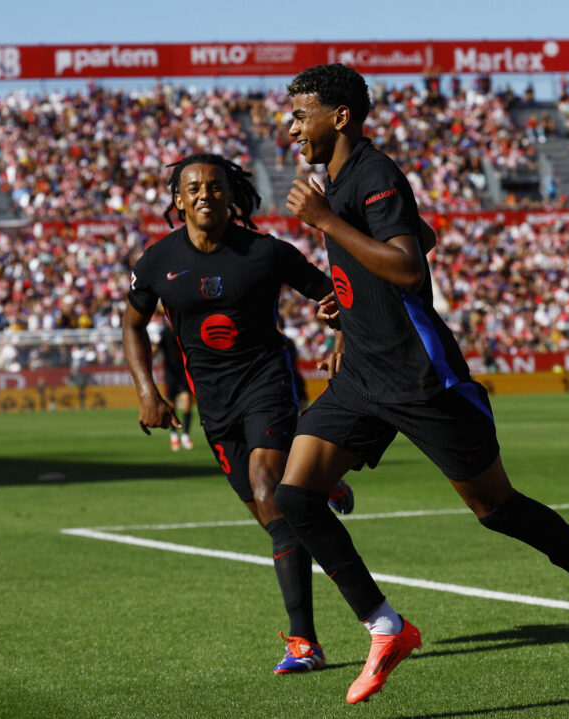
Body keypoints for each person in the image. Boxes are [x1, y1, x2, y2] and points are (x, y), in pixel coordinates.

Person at [275, 64, 569, 705]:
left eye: (300, 112)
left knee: (495, 509)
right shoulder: (335, 181)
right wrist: (345, 311)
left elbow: (410, 268)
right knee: (295, 496)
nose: (290, 125)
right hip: (363, 373)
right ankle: (385, 627)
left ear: (339, 117)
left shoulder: (374, 173)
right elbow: (420, 236)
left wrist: (325, 225)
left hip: (422, 377)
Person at [123, 152, 354, 674]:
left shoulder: (265, 252)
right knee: (275, 520)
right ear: (178, 200)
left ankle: (304, 643)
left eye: (215, 186)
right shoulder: (156, 263)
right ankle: (317, 482)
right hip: (215, 407)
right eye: (194, 188)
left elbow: (332, 291)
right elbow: (132, 326)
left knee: (272, 496)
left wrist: (339, 336)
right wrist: (146, 391)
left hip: (266, 385)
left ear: (231, 195)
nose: (206, 194)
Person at [159, 318, 194, 450]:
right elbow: (157, 348)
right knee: (171, 407)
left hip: (183, 375)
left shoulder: (184, 331)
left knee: (187, 404)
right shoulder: (165, 333)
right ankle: (174, 435)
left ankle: (185, 435)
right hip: (170, 376)